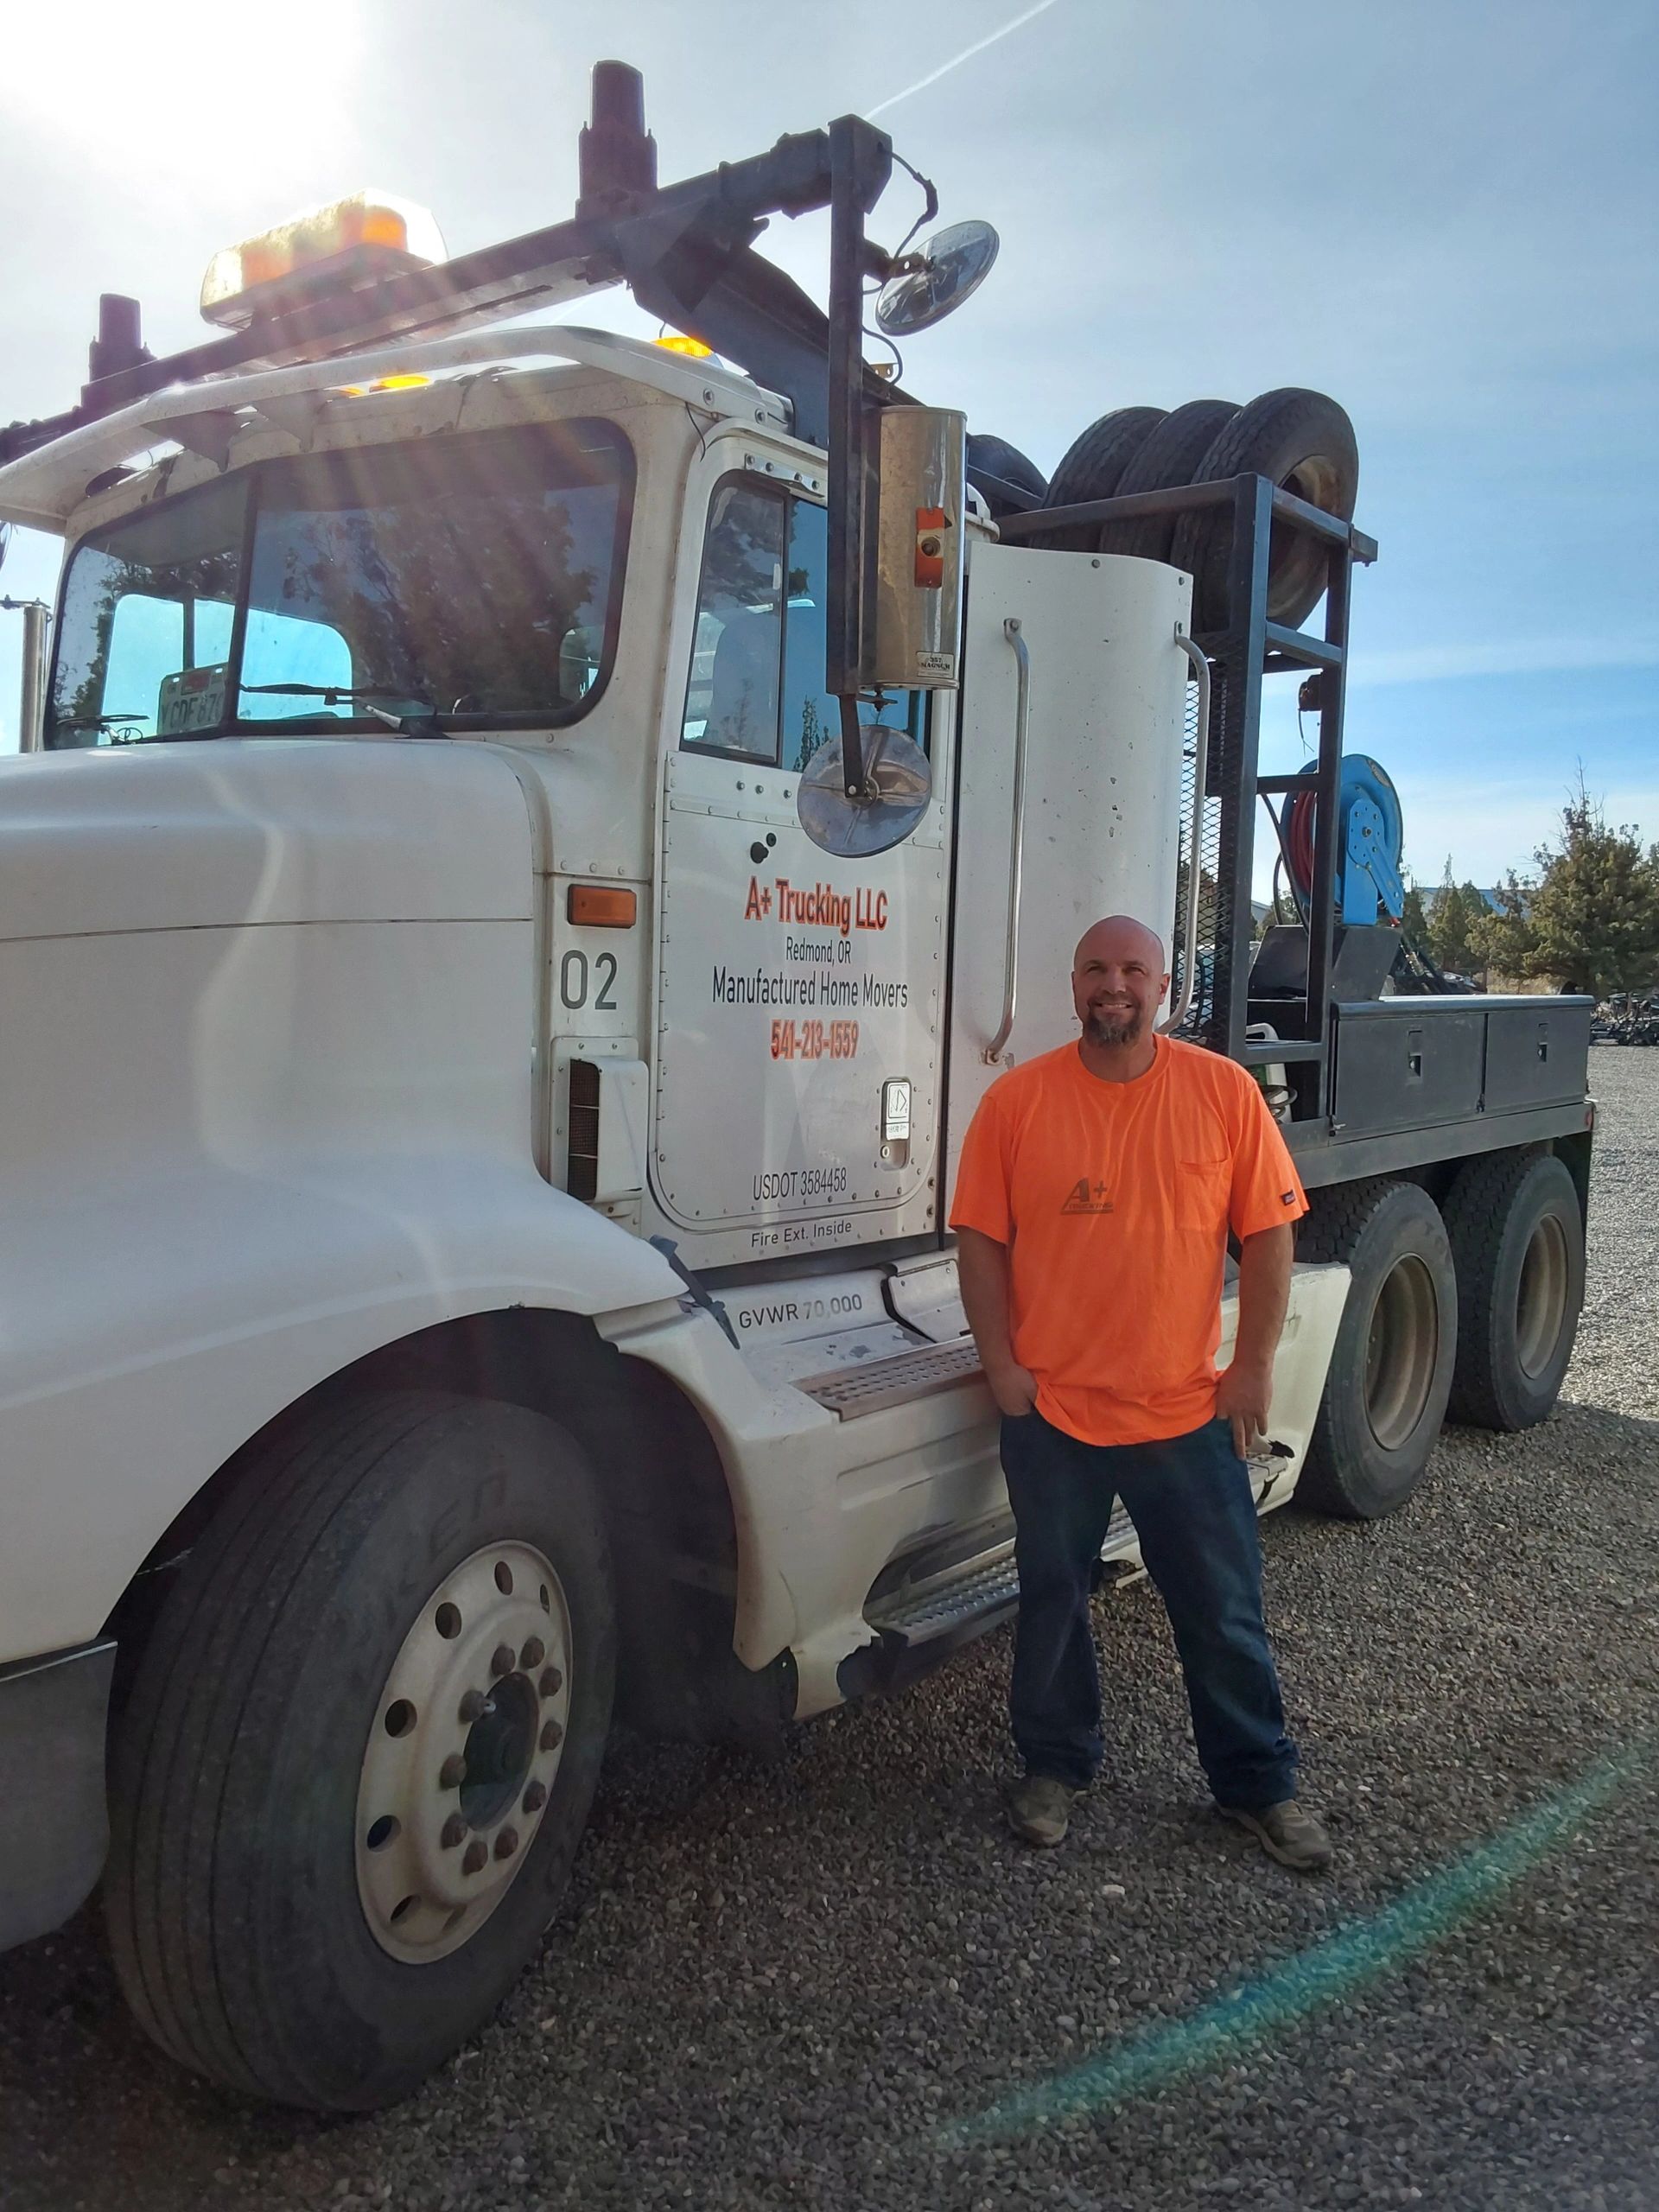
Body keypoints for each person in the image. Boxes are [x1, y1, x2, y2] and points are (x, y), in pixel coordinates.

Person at [950, 914, 1332, 1872]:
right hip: (1056, 1416)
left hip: (1186, 1412)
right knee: (1051, 1602)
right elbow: (981, 1244)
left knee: (1222, 1608)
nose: (1112, 985)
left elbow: (1272, 1234)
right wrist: (1002, 1367)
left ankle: (1258, 1785)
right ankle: (1053, 1765)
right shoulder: (1017, 1102)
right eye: (1095, 969)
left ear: (1164, 987)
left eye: (1133, 969)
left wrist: (1251, 1367)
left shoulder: (1223, 1092)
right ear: (1072, 984)